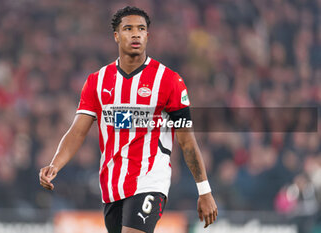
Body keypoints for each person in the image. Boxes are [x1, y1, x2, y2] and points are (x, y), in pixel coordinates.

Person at [39, 6, 217, 233]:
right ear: (116, 36)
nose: (136, 34)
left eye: (141, 29)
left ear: (147, 36)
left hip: (150, 179)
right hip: (112, 183)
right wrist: (55, 164)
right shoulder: (97, 81)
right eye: (128, 29)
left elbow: (187, 140)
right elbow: (77, 131)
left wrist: (204, 190)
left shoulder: (169, 81)